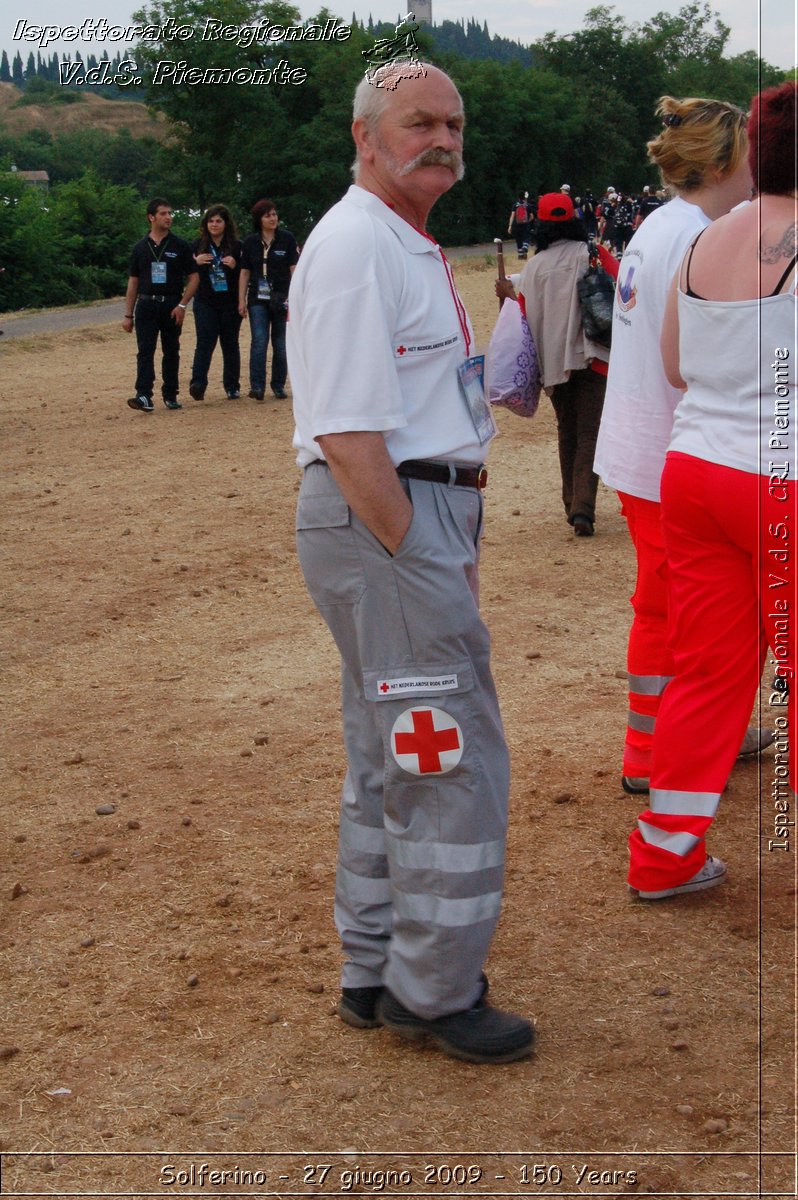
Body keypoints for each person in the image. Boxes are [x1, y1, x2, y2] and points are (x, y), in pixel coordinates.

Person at [287, 61, 534, 1064]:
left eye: (453, 120)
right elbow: (350, 437)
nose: (442, 136)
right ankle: (431, 991)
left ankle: (377, 966)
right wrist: (420, 554)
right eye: (418, 121)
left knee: (395, 750)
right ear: (364, 135)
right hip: (383, 514)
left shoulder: (398, 241)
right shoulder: (357, 245)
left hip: (408, 515)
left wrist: (448, 545)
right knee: (449, 757)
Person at [628, 81, 797, 898]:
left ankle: (664, 853)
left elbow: (672, 364)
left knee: (706, 671)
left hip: (695, 472)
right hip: (781, 479)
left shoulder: (703, 240)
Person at [593, 96, 772, 795]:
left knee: (663, 608)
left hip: (643, 445)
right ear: (728, 158)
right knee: (699, 622)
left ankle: (665, 744)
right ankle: (667, 756)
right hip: (674, 450)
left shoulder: (662, 225)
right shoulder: (701, 233)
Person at [496, 192, 612, 536]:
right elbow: (623, 287)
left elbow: (522, 313)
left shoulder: (533, 267)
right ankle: (583, 508)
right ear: (574, 219)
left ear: (541, 225)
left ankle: (570, 502)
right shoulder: (593, 254)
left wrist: (507, 292)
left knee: (568, 431)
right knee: (589, 432)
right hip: (592, 357)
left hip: (552, 363)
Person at [123, 198, 198, 413]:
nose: (168, 217)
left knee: (171, 349)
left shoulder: (180, 245)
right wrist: (128, 315)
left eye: (170, 213)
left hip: (171, 305)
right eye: (163, 213)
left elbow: (194, 278)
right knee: (145, 351)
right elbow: (133, 282)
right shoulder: (140, 248)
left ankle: (171, 393)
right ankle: (144, 395)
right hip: (146, 305)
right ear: (151, 217)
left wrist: (182, 305)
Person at [238, 199, 299, 401]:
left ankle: (278, 384)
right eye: (267, 215)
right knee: (259, 340)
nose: (273, 218)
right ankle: (257, 386)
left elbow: (294, 270)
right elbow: (245, 272)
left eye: (274, 214)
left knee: (280, 343)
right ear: (259, 219)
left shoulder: (287, 239)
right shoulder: (250, 242)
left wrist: (295, 296)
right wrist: (241, 300)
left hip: (282, 296)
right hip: (257, 297)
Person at [189, 204, 243, 402]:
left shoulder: (237, 247)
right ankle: (198, 384)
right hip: (205, 302)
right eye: (211, 221)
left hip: (229, 302)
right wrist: (195, 262)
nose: (214, 224)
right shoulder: (196, 246)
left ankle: (232, 386)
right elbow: (187, 273)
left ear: (226, 223)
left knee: (230, 344)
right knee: (204, 342)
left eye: (218, 221)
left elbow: (246, 274)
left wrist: (235, 266)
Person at [507, 193, 531, 259]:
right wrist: (527, 221)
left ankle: (520, 255)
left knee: (518, 240)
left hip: (516, 225)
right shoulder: (528, 205)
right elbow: (532, 216)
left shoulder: (515, 205)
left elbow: (512, 216)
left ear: (518, 197)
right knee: (527, 237)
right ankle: (525, 247)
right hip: (525, 225)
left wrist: (510, 226)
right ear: (525, 197)